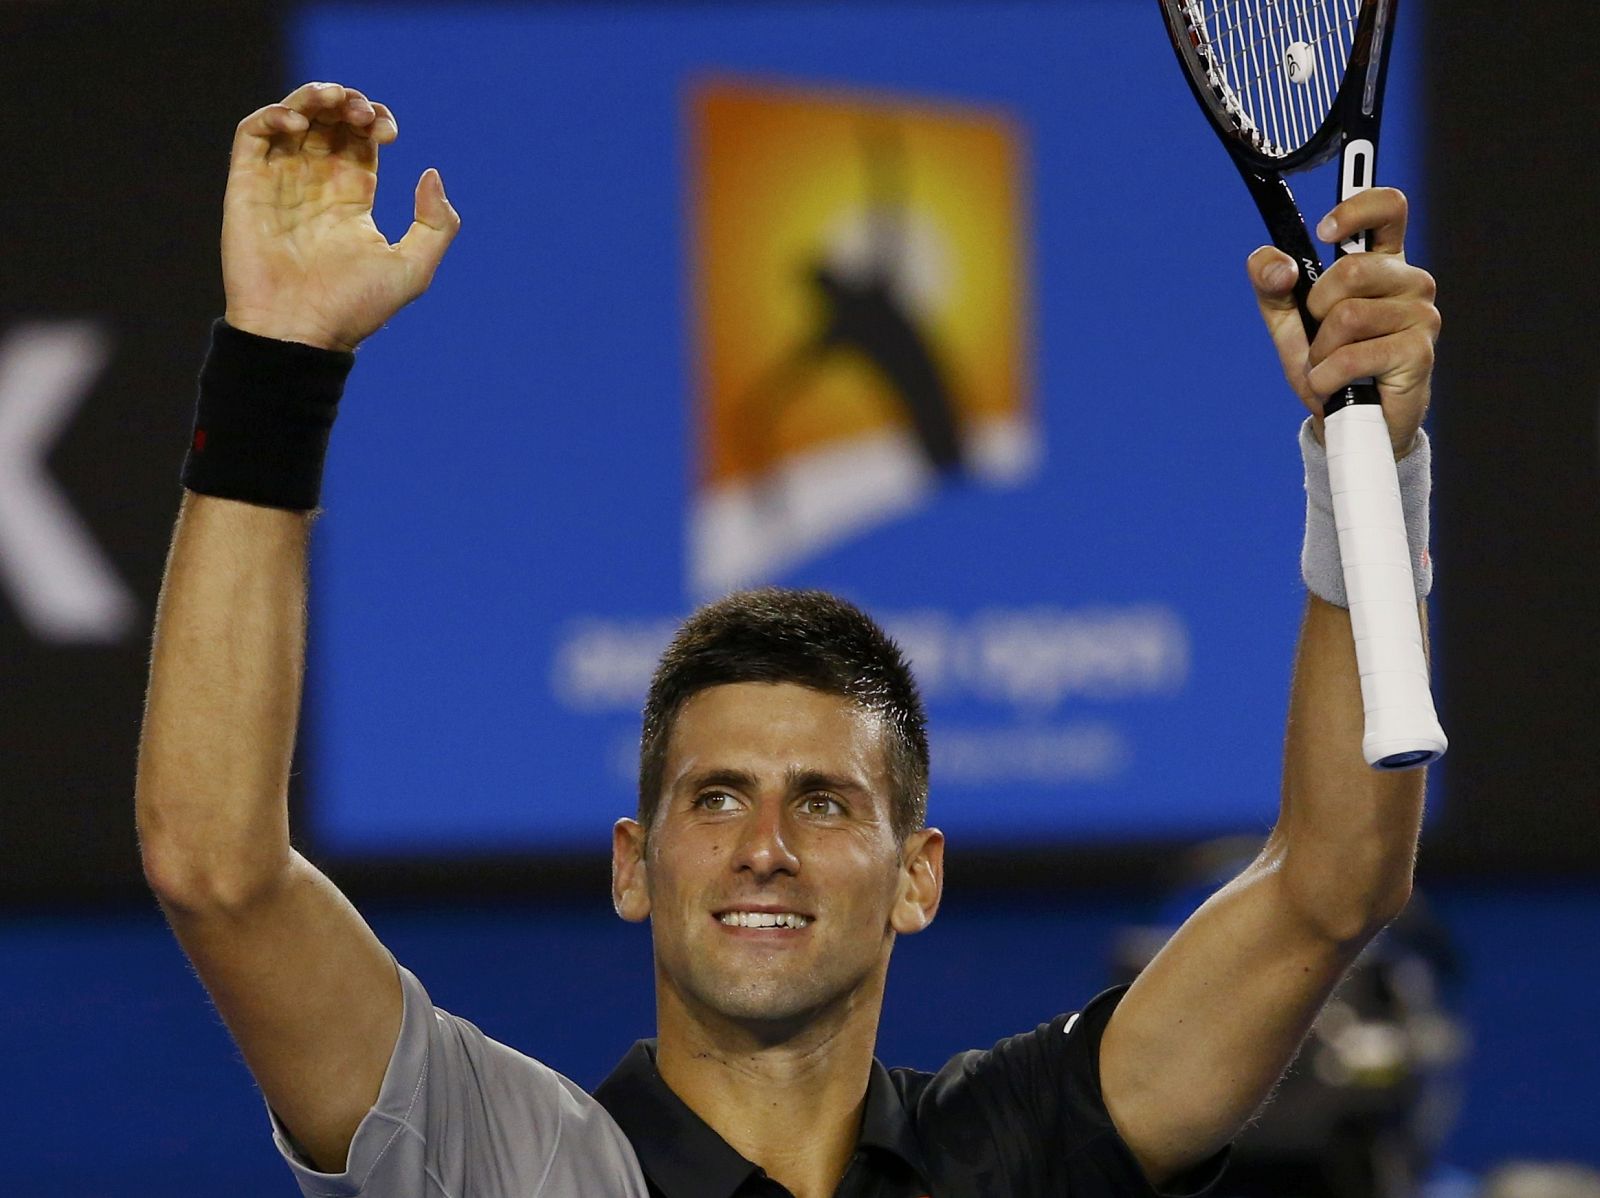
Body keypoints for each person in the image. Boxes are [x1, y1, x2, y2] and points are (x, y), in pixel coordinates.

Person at [135, 82, 1442, 1197]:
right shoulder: (510, 1160)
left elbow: (1335, 886)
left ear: (917, 874)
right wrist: (277, 361)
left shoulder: (1024, 1152)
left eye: (823, 800)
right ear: (634, 863)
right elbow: (217, 867)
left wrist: (1363, 462)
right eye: (718, 796)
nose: (765, 845)